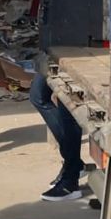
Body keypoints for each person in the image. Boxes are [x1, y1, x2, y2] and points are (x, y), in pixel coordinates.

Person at [30, 61, 88, 200]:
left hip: (74, 55)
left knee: (68, 109)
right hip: (53, 53)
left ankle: (70, 182)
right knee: (38, 96)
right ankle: (74, 163)